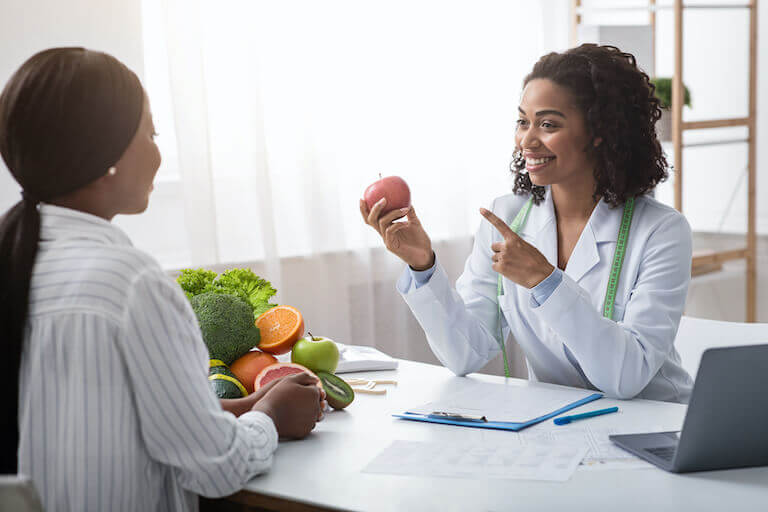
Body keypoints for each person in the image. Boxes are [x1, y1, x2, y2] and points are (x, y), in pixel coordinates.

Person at [0, 48, 325, 511]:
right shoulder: (132, 285)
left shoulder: (21, 259)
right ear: (105, 156)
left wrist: (240, 408)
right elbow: (217, 468)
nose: (157, 152)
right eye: (149, 134)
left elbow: (109, 422)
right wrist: (271, 417)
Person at [361, 44, 694, 404]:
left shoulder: (661, 231)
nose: (527, 141)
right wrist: (422, 264)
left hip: (654, 423)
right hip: (563, 424)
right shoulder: (506, 218)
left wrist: (545, 282)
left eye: (548, 124)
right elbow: (465, 353)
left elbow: (627, 377)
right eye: (523, 122)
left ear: (600, 132)